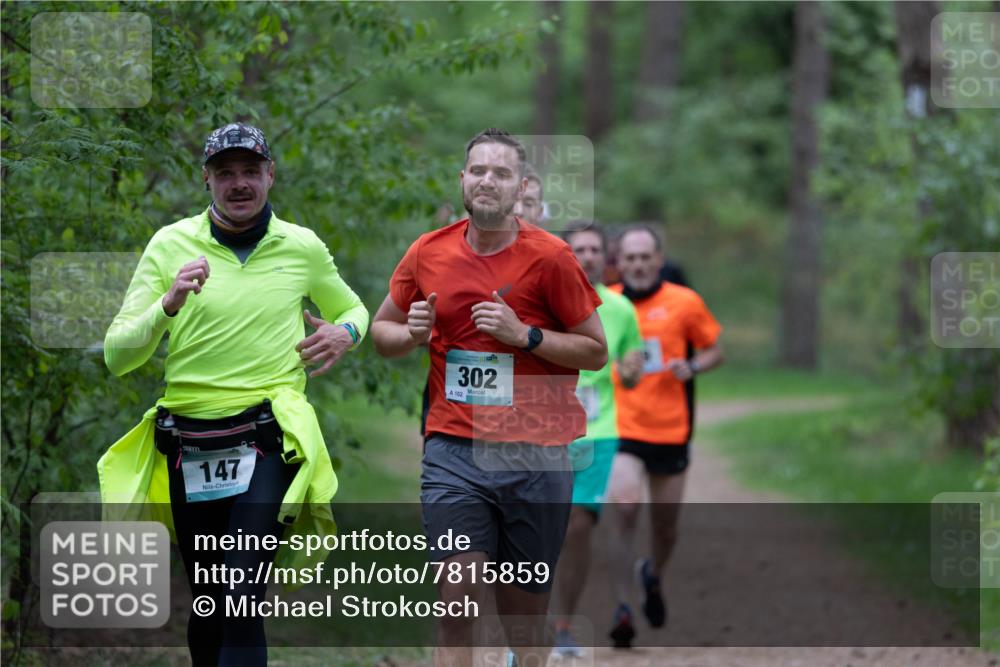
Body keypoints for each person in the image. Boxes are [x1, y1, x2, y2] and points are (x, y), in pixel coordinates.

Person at [99, 122, 368, 666]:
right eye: (226, 173)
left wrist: (346, 333)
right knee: (209, 601)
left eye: (250, 170)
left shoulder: (302, 246)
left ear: (271, 175)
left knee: (242, 590)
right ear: (207, 180)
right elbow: (117, 355)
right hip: (190, 441)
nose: (239, 183)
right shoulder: (170, 244)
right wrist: (167, 304)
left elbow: (354, 309)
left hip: (266, 435)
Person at [370, 128, 607, 667]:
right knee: (457, 603)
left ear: (520, 186)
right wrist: (411, 334)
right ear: (462, 179)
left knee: (523, 621)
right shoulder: (428, 252)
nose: (487, 181)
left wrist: (524, 335)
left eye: (501, 173)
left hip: (537, 454)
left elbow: (595, 351)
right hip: (455, 450)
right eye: (478, 170)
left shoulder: (551, 258)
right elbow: (381, 333)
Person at [605, 224, 723, 647]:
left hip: (671, 428)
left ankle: (651, 574)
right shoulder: (610, 302)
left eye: (644, 257)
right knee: (624, 505)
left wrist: (692, 367)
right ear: (620, 262)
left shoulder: (684, 302)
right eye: (629, 258)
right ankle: (621, 606)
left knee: (665, 527)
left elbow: (714, 348)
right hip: (623, 426)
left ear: (658, 259)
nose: (636, 265)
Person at [550, 221, 644, 658]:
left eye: (594, 249)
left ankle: (563, 624)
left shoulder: (622, 308)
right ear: (565, 254)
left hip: (597, 430)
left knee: (578, 527)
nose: (586, 256)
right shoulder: (542, 297)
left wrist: (631, 369)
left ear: (605, 257)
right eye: (578, 249)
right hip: (539, 428)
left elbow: (631, 364)